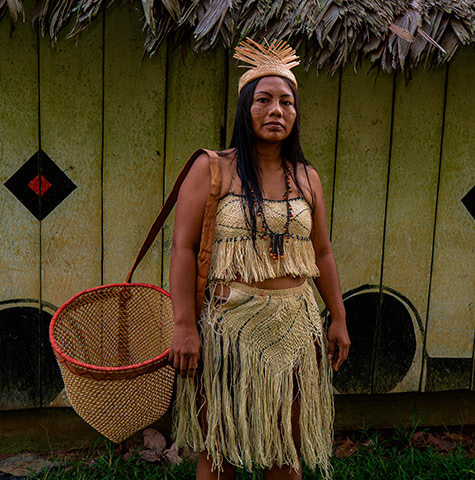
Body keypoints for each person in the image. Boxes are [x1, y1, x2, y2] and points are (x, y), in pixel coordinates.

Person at [167, 38, 351, 480]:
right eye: (264, 100)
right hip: (229, 326)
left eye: (286, 102)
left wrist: (339, 318)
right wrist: (183, 325)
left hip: (296, 324)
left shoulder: (307, 178)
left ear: (296, 113)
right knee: (219, 450)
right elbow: (184, 248)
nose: (276, 111)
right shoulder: (213, 168)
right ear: (245, 109)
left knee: (286, 449)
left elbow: (321, 252)